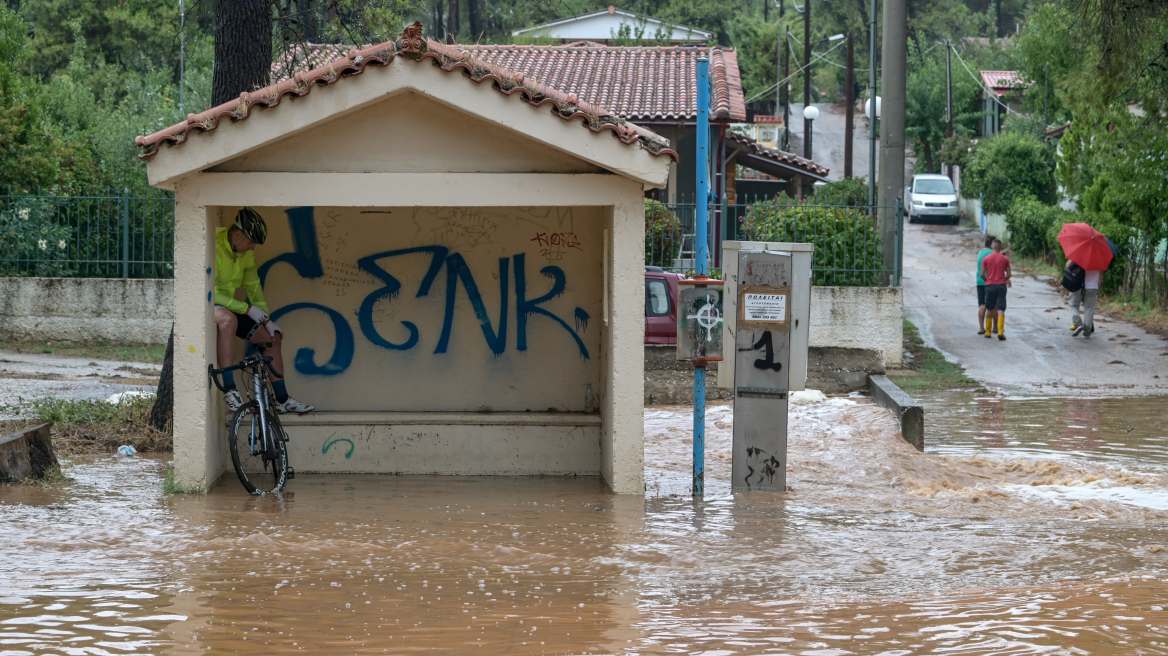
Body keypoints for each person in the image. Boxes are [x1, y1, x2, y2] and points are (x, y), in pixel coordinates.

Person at [214, 207, 314, 414]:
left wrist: (267, 321)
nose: (252, 248)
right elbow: (207, 291)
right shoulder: (212, 243)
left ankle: (282, 400)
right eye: (251, 242)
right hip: (209, 303)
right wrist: (247, 309)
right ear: (238, 234)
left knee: (272, 338)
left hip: (232, 306)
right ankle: (229, 389)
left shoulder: (244, 253)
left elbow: (253, 287)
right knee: (228, 320)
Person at [979, 238, 1011, 341]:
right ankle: (1000, 332)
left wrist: (988, 280)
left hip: (989, 285)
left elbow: (982, 274)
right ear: (1000, 247)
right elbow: (1009, 274)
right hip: (1001, 286)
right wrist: (1003, 279)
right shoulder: (1005, 259)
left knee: (990, 308)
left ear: (992, 247)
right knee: (1000, 309)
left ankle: (988, 332)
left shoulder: (986, 259)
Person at [1069, 262, 1102, 338]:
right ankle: (1087, 332)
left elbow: (1068, 265)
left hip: (1078, 284)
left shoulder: (1079, 252)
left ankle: (1078, 324)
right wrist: (1099, 284)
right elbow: (1101, 272)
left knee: (1074, 305)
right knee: (1089, 308)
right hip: (1092, 286)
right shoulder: (1099, 257)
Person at [976, 235, 995, 334]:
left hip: (979, 281)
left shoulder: (980, 252)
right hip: (989, 281)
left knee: (982, 305)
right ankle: (993, 327)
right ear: (992, 244)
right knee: (992, 306)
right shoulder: (992, 253)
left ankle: (981, 327)